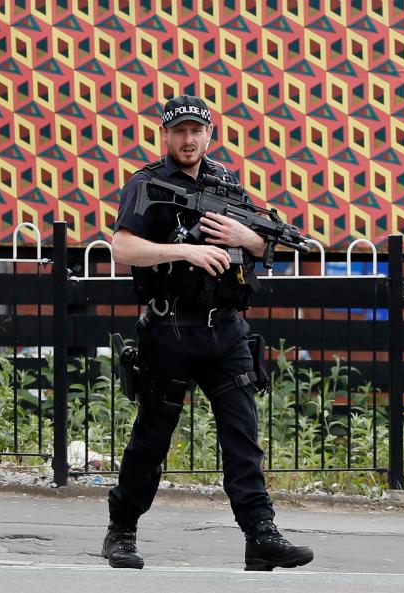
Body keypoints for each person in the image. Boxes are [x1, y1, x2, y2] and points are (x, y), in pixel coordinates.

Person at [102, 95, 314, 571]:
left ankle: (260, 535)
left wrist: (246, 238)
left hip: (226, 331)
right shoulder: (145, 184)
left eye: (197, 130)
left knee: (243, 435)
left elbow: (263, 242)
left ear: (210, 134)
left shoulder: (226, 183)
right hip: (168, 330)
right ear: (166, 135)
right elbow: (122, 248)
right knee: (152, 438)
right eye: (179, 131)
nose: (189, 139)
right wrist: (185, 253)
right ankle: (122, 530)